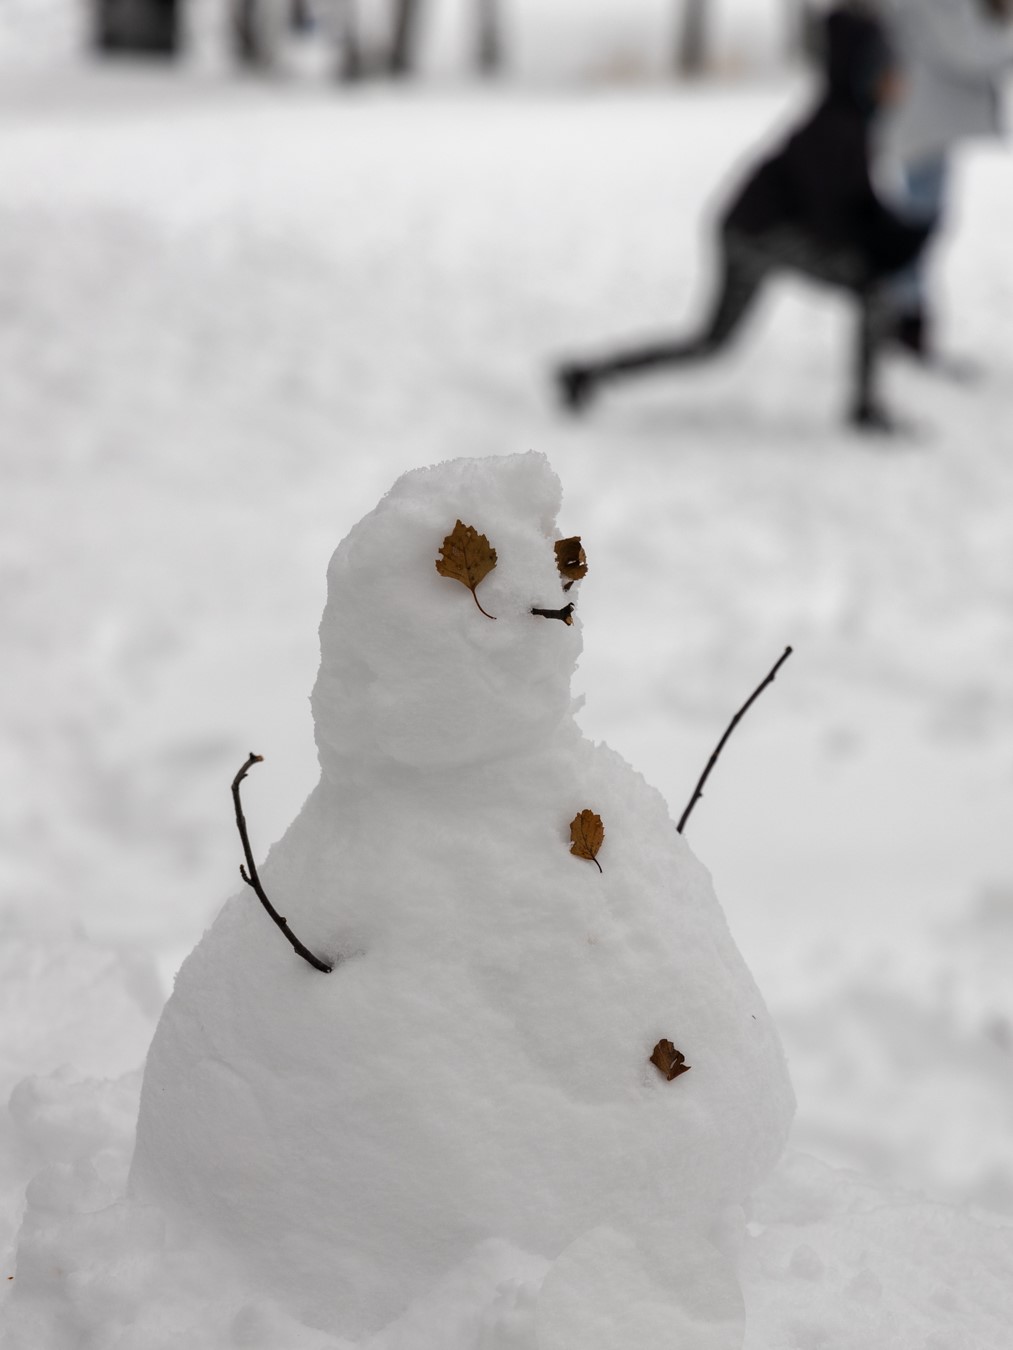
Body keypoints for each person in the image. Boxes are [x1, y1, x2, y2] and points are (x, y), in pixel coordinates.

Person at [555, 5, 931, 433]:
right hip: (759, 236)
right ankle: (864, 410)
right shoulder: (837, 126)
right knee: (872, 291)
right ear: (867, 71)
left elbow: (852, 203)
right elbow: (831, 218)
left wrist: (892, 232)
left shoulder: (851, 119)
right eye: (892, 69)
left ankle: (586, 374)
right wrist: (883, 244)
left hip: (750, 230)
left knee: (710, 343)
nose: (901, 81)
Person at [878, 0, 1013, 357]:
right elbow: (967, 49)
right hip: (924, 125)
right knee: (918, 222)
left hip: (923, 121)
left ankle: (905, 314)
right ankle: (906, 317)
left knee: (919, 218)